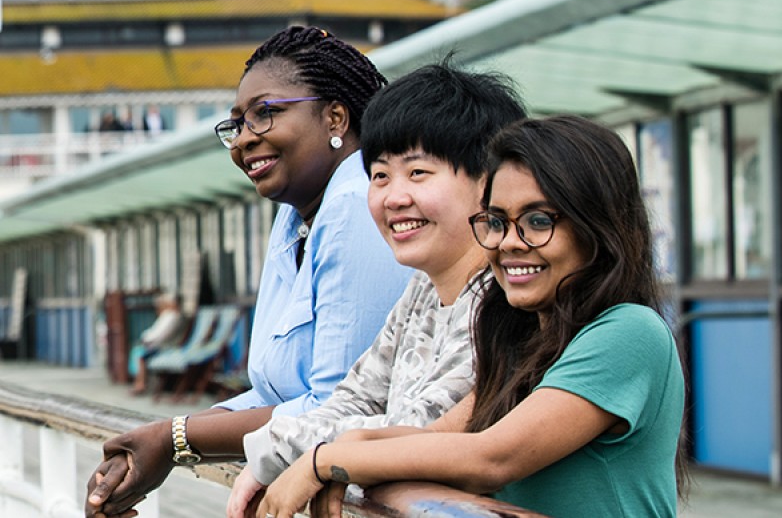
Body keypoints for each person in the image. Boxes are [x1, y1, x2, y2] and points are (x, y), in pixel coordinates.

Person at [258, 115, 688, 518]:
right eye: (498, 221)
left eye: (538, 221)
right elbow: (441, 439)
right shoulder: (525, 341)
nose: (510, 243)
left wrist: (329, 461)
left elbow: (492, 457)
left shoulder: (629, 332)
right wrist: (348, 447)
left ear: (598, 225)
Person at [84, 26, 412, 518]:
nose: (244, 140)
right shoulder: (295, 215)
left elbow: (340, 407)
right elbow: (276, 391)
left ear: (335, 116)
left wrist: (174, 439)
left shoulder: (357, 204)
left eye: (265, 114)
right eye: (236, 124)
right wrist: (169, 438)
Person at [226, 61, 527, 518]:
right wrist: (277, 454)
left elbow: (421, 428)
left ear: (489, 182)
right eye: (380, 175)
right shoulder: (423, 290)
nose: (393, 197)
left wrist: (286, 452)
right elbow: (357, 395)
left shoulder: (508, 299)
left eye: (419, 173)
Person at [129, 292, 187, 396]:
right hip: (160, 344)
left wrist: (147, 340)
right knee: (138, 352)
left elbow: (162, 335)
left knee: (140, 355)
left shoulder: (174, 316)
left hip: (166, 346)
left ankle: (140, 383)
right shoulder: (168, 315)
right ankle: (139, 382)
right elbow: (156, 332)